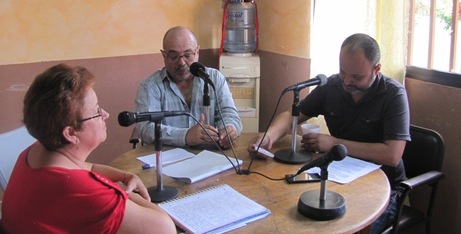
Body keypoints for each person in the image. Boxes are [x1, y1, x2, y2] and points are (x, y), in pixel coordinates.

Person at [247, 33, 410, 233]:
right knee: (289, 213)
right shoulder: (333, 85)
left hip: (384, 189)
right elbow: (292, 114)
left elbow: (392, 155)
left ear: (376, 69)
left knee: (349, 227)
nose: (348, 81)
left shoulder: (393, 95)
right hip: (338, 179)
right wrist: (269, 137)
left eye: (357, 77)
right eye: (343, 71)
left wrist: (334, 144)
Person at [0, 64, 176, 233]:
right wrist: (123, 193)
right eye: (97, 111)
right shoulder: (81, 190)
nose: (105, 115)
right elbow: (165, 228)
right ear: (71, 133)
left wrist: (125, 176)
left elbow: (87, 168)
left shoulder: (35, 152)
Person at [135, 26, 242, 149]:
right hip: (168, 160)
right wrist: (185, 136)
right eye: (174, 56)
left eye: (188, 55)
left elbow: (229, 113)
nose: (181, 62)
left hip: (211, 157)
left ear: (197, 52)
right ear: (164, 56)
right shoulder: (150, 86)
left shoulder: (214, 78)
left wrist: (229, 128)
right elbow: (146, 128)